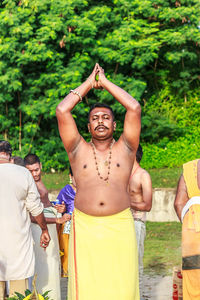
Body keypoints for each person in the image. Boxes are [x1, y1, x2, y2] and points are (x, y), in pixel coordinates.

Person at [56, 63, 141, 300]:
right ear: (88, 126)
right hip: (86, 228)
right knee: (87, 289)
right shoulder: (76, 148)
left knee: (122, 287)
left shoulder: (126, 147)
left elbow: (134, 107)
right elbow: (62, 110)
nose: (100, 121)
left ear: (115, 125)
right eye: (95, 118)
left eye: (106, 117)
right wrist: (88, 82)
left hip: (120, 225)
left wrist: (104, 82)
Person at [0, 141, 50, 299]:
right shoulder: (22, 174)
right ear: (10, 155)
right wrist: (44, 229)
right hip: (18, 244)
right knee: (20, 294)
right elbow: (35, 208)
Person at [24, 154, 61, 300]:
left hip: (49, 226)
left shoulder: (40, 182)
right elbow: (33, 216)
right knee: (42, 265)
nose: (34, 174)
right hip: (39, 228)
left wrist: (54, 206)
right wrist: (57, 220)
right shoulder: (28, 185)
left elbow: (44, 204)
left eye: (36, 170)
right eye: (30, 171)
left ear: (41, 166)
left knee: (52, 264)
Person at [128, 144, 152, 300]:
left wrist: (126, 203)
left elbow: (147, 205)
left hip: (137, 222)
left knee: (136, 264)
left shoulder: (143, 175)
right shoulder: (122, 174)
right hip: (121, 223)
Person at [174, 159, 200, 299]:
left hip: (192, 231)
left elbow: (179, 203)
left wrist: (189, 224)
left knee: (193, 277)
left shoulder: (189, 170)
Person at [55, 166, 76, 277]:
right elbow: (57, 206)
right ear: (70, 176)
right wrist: (62, 210)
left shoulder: (87, 191)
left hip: (82, 227)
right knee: (67, 254)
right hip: (67, 228)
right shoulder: (66, 191)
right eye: (75, 177)